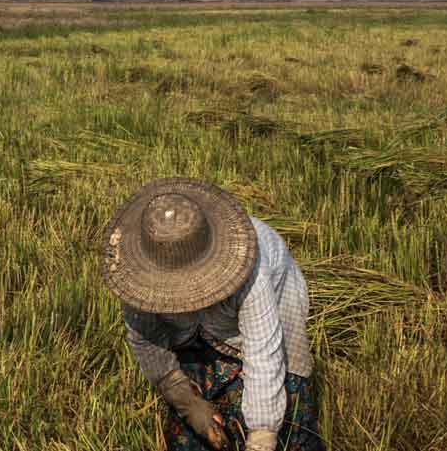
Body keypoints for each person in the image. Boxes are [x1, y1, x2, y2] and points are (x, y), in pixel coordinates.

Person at [105, 178, 323, 451]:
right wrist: (186, 400)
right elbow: (144, 338)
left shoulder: (251, 270)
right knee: (198, 426)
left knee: (287, 412)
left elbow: (263, 352)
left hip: (274, 308)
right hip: (197, 331)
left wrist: (262, 437)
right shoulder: (137, 276)